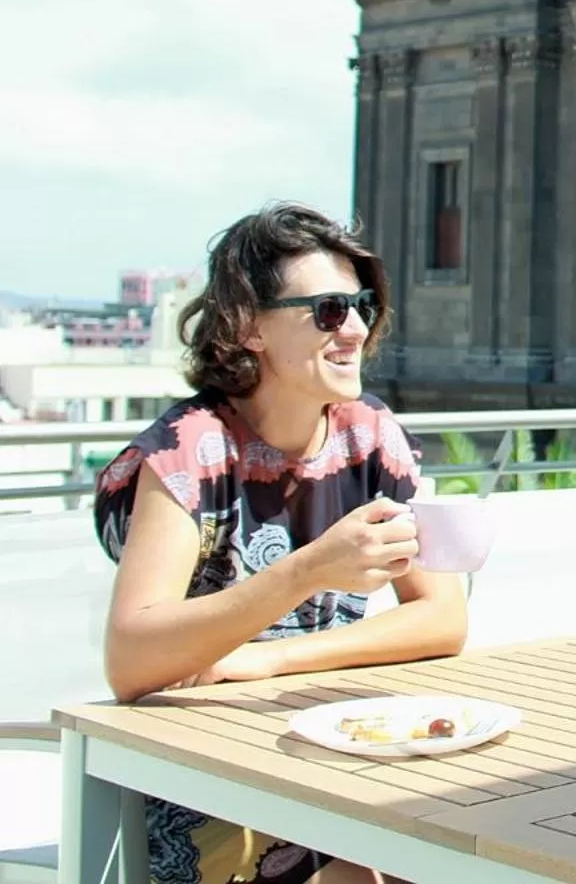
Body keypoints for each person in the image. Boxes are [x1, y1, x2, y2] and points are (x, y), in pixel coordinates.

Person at [94, 202, 468, 884]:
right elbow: (131, 657)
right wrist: (308, 571)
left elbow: (443, 618)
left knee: (457, 838)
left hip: (331, 751)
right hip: (201, 775)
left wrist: (272, 661)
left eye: (361, 306)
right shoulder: (192, 449)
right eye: (326, 311)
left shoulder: (371, 434)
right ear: (245, 325)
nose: (353, 328)